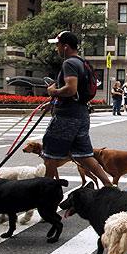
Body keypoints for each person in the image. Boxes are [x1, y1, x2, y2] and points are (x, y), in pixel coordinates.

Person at [42, 30, 113, 187]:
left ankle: (44, 192)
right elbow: (77, 93)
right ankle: (109, 185)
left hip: (67, 117)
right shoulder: (82, 62)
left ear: (65, 46)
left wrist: (53, 92)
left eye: (58, 45)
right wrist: (54, 102)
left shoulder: (69, 63)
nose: (57, 49)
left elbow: (71, 89)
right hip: (81, 114)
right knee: (84, 155)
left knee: (49, 156)